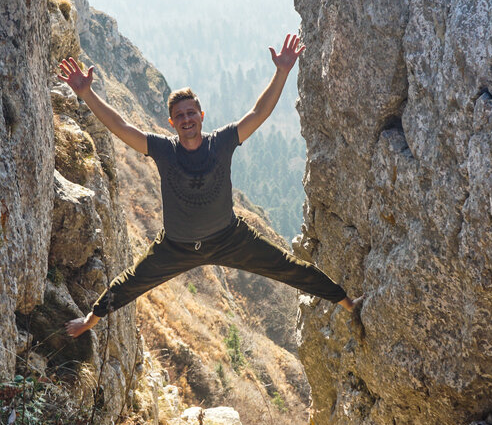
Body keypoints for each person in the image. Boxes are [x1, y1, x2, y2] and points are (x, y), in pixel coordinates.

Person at [57, 33, 363, 338]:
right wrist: (87, 93)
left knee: (289, 267)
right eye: (180, 115)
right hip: (176, 246)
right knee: (131, 283)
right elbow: (121, 126)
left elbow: (258, 113)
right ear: (171, 123)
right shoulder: (164, 150)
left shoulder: (222, 142)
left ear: (201, 116)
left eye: (191, 113)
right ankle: (89, 321)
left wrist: (281, 72)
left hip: (230, 238)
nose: (186, 118)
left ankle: (349, 303)